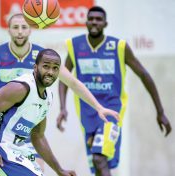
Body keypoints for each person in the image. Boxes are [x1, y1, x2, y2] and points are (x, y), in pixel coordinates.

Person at [0, 13, 120, 174]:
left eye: (24, 27)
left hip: (22, 138)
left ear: (30, 29)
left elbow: (73, 83)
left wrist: (98, 107)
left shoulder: (45, 61)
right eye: (15, 27)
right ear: (9, 30)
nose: (20, 32)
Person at [57, 6, 172, 176]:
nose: (94, 22)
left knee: (99, 158)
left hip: (111, 111)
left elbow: (144, 75)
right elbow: (64, 78)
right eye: (91, 18)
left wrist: (160, 111)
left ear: (105, 23)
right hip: (87, 113)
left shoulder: (119, 46)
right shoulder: (75, 46)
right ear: (86, 22)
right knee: (98, 164)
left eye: (98, 19)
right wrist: (62, 108)